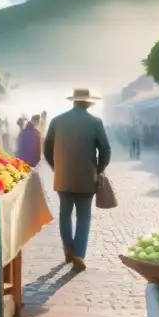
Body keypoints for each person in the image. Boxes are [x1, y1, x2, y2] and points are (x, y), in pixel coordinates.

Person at [44, 89, 111, 272]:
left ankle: (68, 249)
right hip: (86, 177)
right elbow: (106, 150)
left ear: (73, 102)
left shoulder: (56, 121)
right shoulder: (95, 122)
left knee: (65, 213)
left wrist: (55, 167)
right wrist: (98, 169)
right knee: (84, 215)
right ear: (88, 103)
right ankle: (79, 254)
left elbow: (47, 149)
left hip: (62, 176)